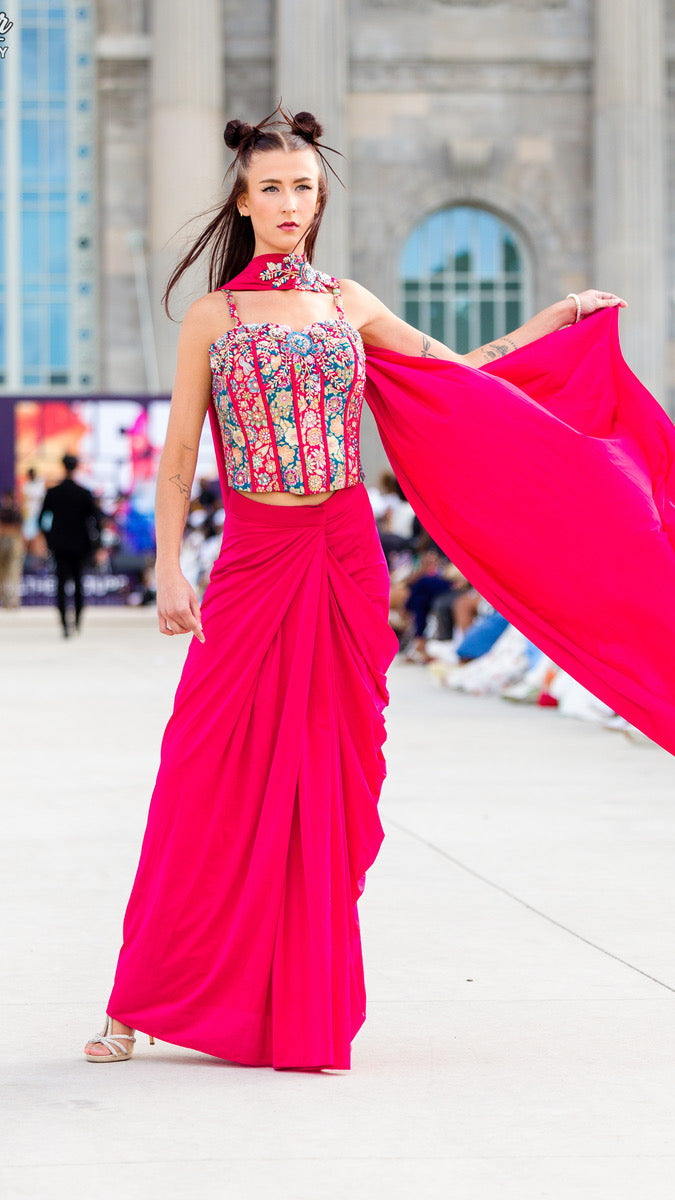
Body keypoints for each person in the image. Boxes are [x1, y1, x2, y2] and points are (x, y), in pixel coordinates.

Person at [83, 104, 628, 1070]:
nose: (289, 202)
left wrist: (548, 324)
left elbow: (457, 375)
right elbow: (175, 461)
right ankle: (142, 995)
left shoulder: (347, 302)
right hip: (253, 557)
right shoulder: (213, 317)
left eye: (302, 186)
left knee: (325, 776)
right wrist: (169, 564)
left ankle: (295, 1000)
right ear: (243, 205)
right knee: (202, 769)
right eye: (270, 188)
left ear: (317, 196)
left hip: (341, 552)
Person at [39, 454, 99, 637]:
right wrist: (96, 544)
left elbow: (41, 520)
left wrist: (50, 539)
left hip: (60, 546)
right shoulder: (84, 493)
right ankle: (78, 621)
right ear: (76, 467)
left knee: (61, 584)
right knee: (79, 583)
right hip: (81, 545)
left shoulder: (53, 493)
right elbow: (96, 521)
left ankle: (65, 624)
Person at [0, 491, 24, 610]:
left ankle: (13, 600)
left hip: (13, 541)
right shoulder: (3, 512)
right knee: (3, 572)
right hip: (5, 541)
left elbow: (19, 529)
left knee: (14, 571)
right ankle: (5, 600)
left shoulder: (16, 512)